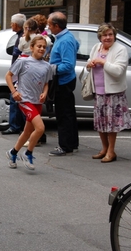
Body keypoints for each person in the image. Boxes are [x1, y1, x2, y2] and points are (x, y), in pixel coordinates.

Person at [86, 23, 131, 163]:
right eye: (105, 35)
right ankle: (104, 148)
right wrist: (90, 64)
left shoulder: (120, 49)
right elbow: (89, 62)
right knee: (101, 122)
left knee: (112, 123)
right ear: (100, 37)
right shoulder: (96, 47)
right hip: (99, 91)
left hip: (114, 92)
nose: (108, 37)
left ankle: (111, 151)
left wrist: (103, 62)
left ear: (114, 36)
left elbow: (118, 71)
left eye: (110, 34)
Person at [5, 35, 53, 170]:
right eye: (39, 46)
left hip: (37, 101)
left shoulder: (47, 66)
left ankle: (13, 152)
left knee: (27, 132)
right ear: (31, 47)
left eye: (44, 47)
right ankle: (28, 153)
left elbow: (46, 83)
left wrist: (45, 92)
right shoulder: (23, 62)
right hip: (25, 100)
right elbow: (8, 76)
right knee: (40, 128)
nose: (42, 49)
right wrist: (14, 92)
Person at [47, 12, 79, 156]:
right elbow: (77, 46)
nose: (48, 28)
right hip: (64, 81)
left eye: (49, 25)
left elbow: (68, 65)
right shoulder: (64, 37)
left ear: (56, 26)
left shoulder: (65, 40)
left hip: (63, 82)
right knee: (69, 113)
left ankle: (65, 146)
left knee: (63, 114)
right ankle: (72, 143)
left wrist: (50, 68)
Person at [1, 13, 26, 135]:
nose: (11, 25)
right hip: (19, 72)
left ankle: (15, 126)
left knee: (15, 99)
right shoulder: (20, 36)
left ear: (16, 24)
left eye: (12, 23)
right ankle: (19, 125)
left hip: (19, 73)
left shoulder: (22, 38)